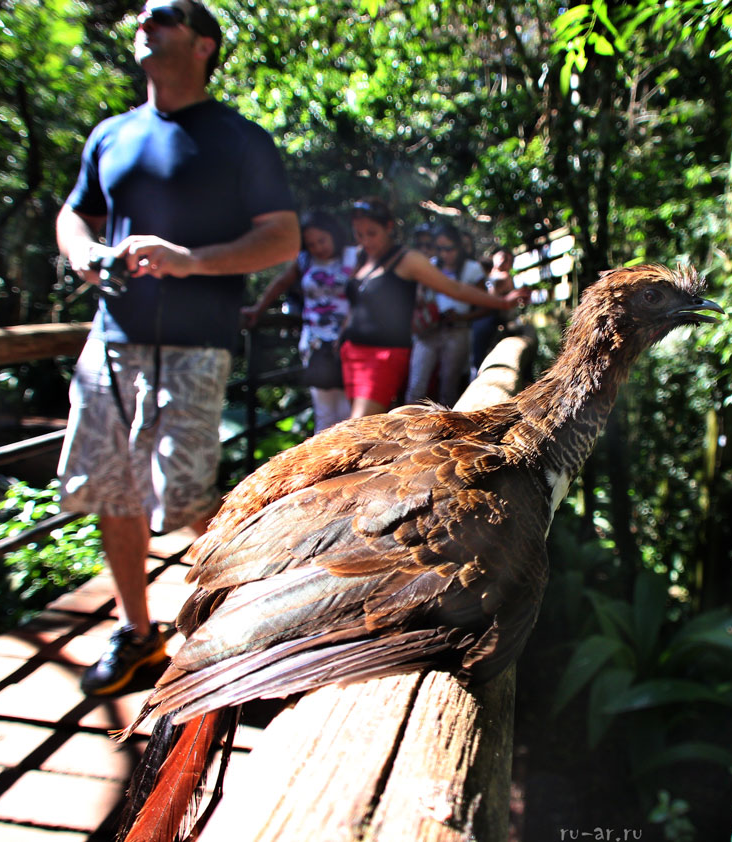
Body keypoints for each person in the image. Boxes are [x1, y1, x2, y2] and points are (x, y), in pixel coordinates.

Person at [55, 0, 300, 696]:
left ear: (203, 44)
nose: (143, 20)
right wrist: (86, 255)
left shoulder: (239, 139)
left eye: (161, 14)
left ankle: (244, 637)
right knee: (115, 492)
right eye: (140, 13)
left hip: (195, 346)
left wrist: (188, 260)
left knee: (190, 496)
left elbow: (281, 236)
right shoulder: (111, 134)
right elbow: (76, 212)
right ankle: (139, 636)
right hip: (109, 341)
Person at [340, 198, 529, 418]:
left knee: (359, 426)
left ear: (388, 227)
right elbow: (357, 303)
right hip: (352, 352)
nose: (365, 241)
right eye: (359, 234)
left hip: (383, 355)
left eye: (371, 233)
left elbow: (455, 289)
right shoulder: (362, 259)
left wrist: (503, 302)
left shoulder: (408, 260)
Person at [243, 211, 354, 432]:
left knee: (347, 411)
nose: (318, 247)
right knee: (324, 411)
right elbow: (281, 282)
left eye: (322, 240)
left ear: (334, 234)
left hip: (350, 341)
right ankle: (323, 463)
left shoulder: (355, 256)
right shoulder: (304, 260)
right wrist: (258, 308)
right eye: (311, 244)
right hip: (314, 343)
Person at [406, 224, 486, 407]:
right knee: (416, 388)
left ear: (458, 246)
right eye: (440, 249)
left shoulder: (472, 269)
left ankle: (446, 433)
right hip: (428, 331)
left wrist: (462, 318)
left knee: (449, 390)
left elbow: (486, 305)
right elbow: (419, 297)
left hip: (457, 331)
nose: (445, 254)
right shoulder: (431, 266)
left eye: (449, 249)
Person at [470, 245, 516, 378]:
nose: (504, 260)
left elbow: (491, 299)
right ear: (493, 257)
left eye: (508, 260)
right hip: (476, 320)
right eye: (502, 256)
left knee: (480, 360)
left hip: (490, 322)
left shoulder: (503, 277)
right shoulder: (484, 274)